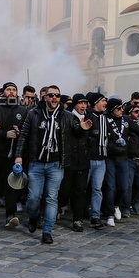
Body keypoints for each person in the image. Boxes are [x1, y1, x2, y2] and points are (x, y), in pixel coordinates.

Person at [14, 85, 91, 244]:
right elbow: (23, 135)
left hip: (56, 164)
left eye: (57, 95)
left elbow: (75, 132)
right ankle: (34, 217)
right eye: (51, 95)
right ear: (45, 97)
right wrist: (18, 156)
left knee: (51, 198)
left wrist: (82, 129)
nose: (54, 98)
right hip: (36, 163)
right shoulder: (34, 113)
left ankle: (48, 231)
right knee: (33, 198)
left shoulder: (67, 116)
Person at [0, 82, 27, 226]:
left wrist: (19, 133)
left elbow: (26, 132)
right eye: (8, 90)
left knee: (12, 186)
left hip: (13, 155)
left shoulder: (22, 110)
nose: (12, 92)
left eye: (14, 89)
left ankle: (10, 214)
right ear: (3, 92)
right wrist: (3, 133)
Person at [59, 93, 91, 231]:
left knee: (80, 191)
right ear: (75, 104)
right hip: (69, 160)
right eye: (80, 103)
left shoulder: (89, 117)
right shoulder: (67, 117)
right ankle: (57, 208)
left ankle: (78, 220)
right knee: (64, 190)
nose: (83, 106)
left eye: (85, 103)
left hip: (83, 161)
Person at [84, 92, 111, 229]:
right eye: (103, 101)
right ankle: (80, 213)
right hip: (89, 159)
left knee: (97, 189)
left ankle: (95, 216)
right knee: (82, 188)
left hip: (101, 160)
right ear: (95, 103)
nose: (105, 103)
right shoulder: (88, 117)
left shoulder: (105, 118)